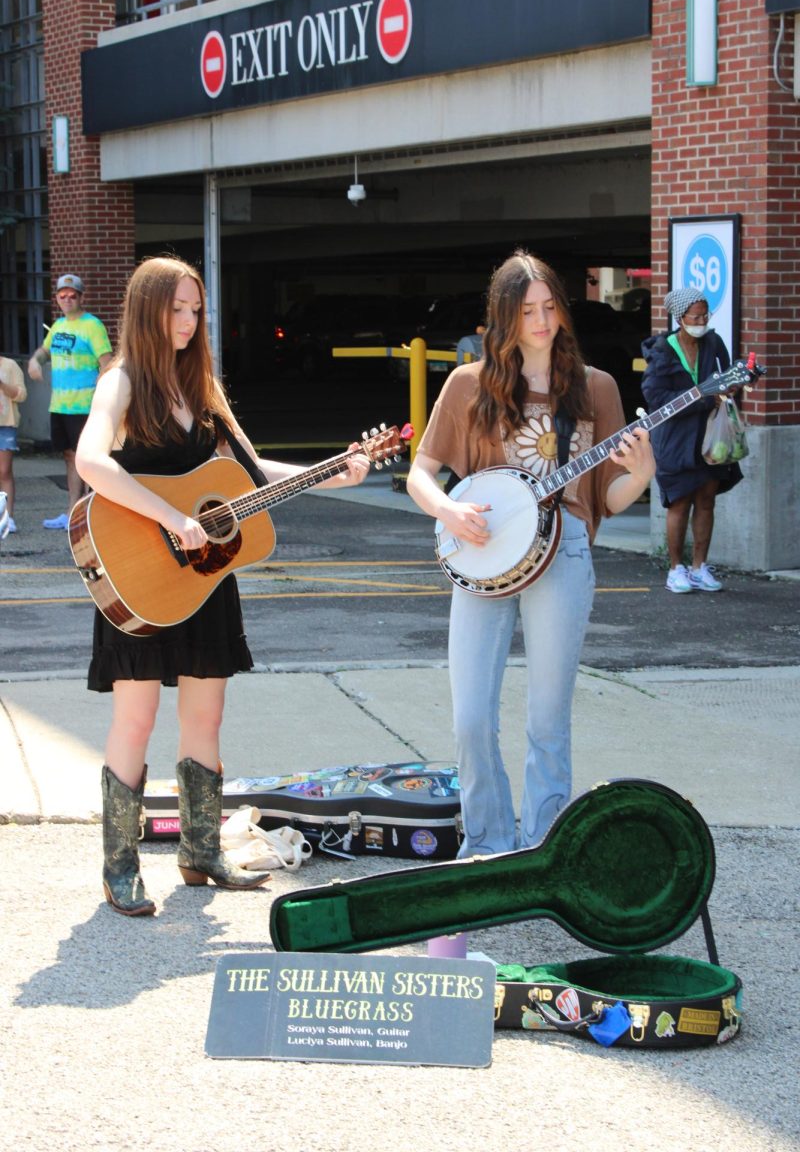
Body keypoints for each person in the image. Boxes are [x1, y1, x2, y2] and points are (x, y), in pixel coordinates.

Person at [75, 256, 370, 917]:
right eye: (176, 309)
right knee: (136, 718)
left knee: (205, 716)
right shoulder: (120, 382)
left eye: (196, 310)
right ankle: (120, 867)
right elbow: (91, 461)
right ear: (146, 311)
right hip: (140, 577)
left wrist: (329, 472)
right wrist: (172, 516)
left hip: (204, 580)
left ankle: (200, 848)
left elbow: (248, 472)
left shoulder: (202, 386)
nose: (187, 321)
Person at [406, 251, 654, 856]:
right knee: (470, 719)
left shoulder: (596, 388)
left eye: (549, 308)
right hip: (483, 551)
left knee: (547, 721)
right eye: (527, 311)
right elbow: (421, 473)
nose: (542, 322)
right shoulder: (469, 384)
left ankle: (542, 850)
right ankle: (488, 845)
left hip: (563, 551)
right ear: (504, 318)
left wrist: (643, 470)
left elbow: (610, 499)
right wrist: (448, 511)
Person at [641, 287, 742, 595]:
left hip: (711, 436)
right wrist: (702, 399)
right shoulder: (662, 350)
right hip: (675, 439)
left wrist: (733, 386)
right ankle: (675, 569)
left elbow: (725, 377)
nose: (702, 320)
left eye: (705, 314)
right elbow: (655, 397)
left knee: (707, 500)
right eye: (696, 316)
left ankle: (700, 567)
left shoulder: (713, 342)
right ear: (680, 317)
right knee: (679, 503)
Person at [28, 273, 113, 530]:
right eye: (61, 295)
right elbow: (45, 350)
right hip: (60, 405)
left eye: (72, 295)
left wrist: (102, 397)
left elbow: (107, 363)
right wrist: (35, 360)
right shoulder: (58, 326)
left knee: (88, 460)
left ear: (81, 297)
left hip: (85, 406)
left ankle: (90, 515)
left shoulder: (92, 326)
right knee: (70, 457)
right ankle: (73, 513)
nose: (66, 299)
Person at [0, 353, 27, 534]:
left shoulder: (10, 365)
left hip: (6, 425)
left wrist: (2, 385)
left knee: (4, 471)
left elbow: (22, 395)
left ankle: (8, 517)